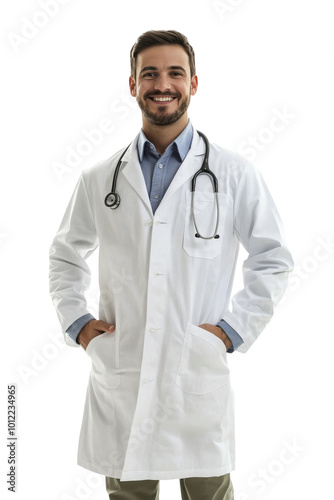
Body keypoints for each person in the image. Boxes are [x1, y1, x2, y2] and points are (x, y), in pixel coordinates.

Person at [49, 30, 293, 500]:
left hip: (195, 373)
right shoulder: (100, 178)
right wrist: (77, 322)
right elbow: (65, 254)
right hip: (123, 371)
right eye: (150, 74)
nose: (163, 84)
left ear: (194, 83)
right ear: (133, 84)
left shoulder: (234, 173)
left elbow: (273, 257)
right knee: (128, 492)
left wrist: (232, 329)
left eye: (175, 73)